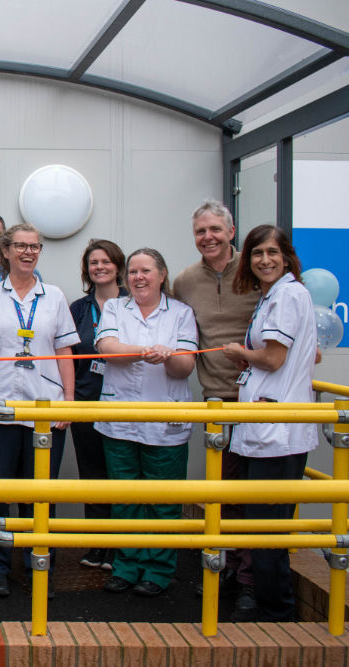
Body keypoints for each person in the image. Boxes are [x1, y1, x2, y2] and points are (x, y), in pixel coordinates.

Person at [0, 223, 79, 598]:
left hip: (44, 409)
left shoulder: (55, 297)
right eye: (21, 246)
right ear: (6, 251)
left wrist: (70, 403)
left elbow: (65, 353)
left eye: (35, 247)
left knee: (39, 493)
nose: (29, 253)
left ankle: (37, 561)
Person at [222, 225, 318, 622]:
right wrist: (251, 358)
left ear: (287, 257)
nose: (264, 260)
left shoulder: (290, 294)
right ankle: (269, 604)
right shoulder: (271, 297)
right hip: (262, 428)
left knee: (268, 532)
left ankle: (277, 612)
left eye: (272, 252)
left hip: (278, 432)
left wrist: (238, 351)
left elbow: (275, 358)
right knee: (259, 527)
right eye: (257, 253)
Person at [173, 198, 260, 609]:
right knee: (224, 491)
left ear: (230, 230)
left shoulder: (259, 270)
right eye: (200, 231)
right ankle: (227, 567)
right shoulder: (186, 281)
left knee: (258, 491)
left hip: (262, 401)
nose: (207, 237)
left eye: (214, 230)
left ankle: (249, 578)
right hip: (216, 400)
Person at [95, 248, 197, 598]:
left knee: (162, 501)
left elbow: (186, 366)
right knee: (125, 498)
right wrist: (142, 350)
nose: (138, 277)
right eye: (133, 272)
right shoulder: (114, 308)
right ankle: (126, 566)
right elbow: (106, 346)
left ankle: (157, 570)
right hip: (120, 418)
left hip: (164, 420)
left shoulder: (181, 313)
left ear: (162, 275)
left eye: (146, 271)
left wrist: (169, 358)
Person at [69, 239, 126, 570]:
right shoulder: (78, 308)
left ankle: (121, 546)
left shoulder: (133, 304)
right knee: (92, 473)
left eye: (106, 261)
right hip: (86, 401)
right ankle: (97, 544)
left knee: (122, 474)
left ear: (118, 266)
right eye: (94, 263)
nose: (100, 267)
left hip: (124, 403)